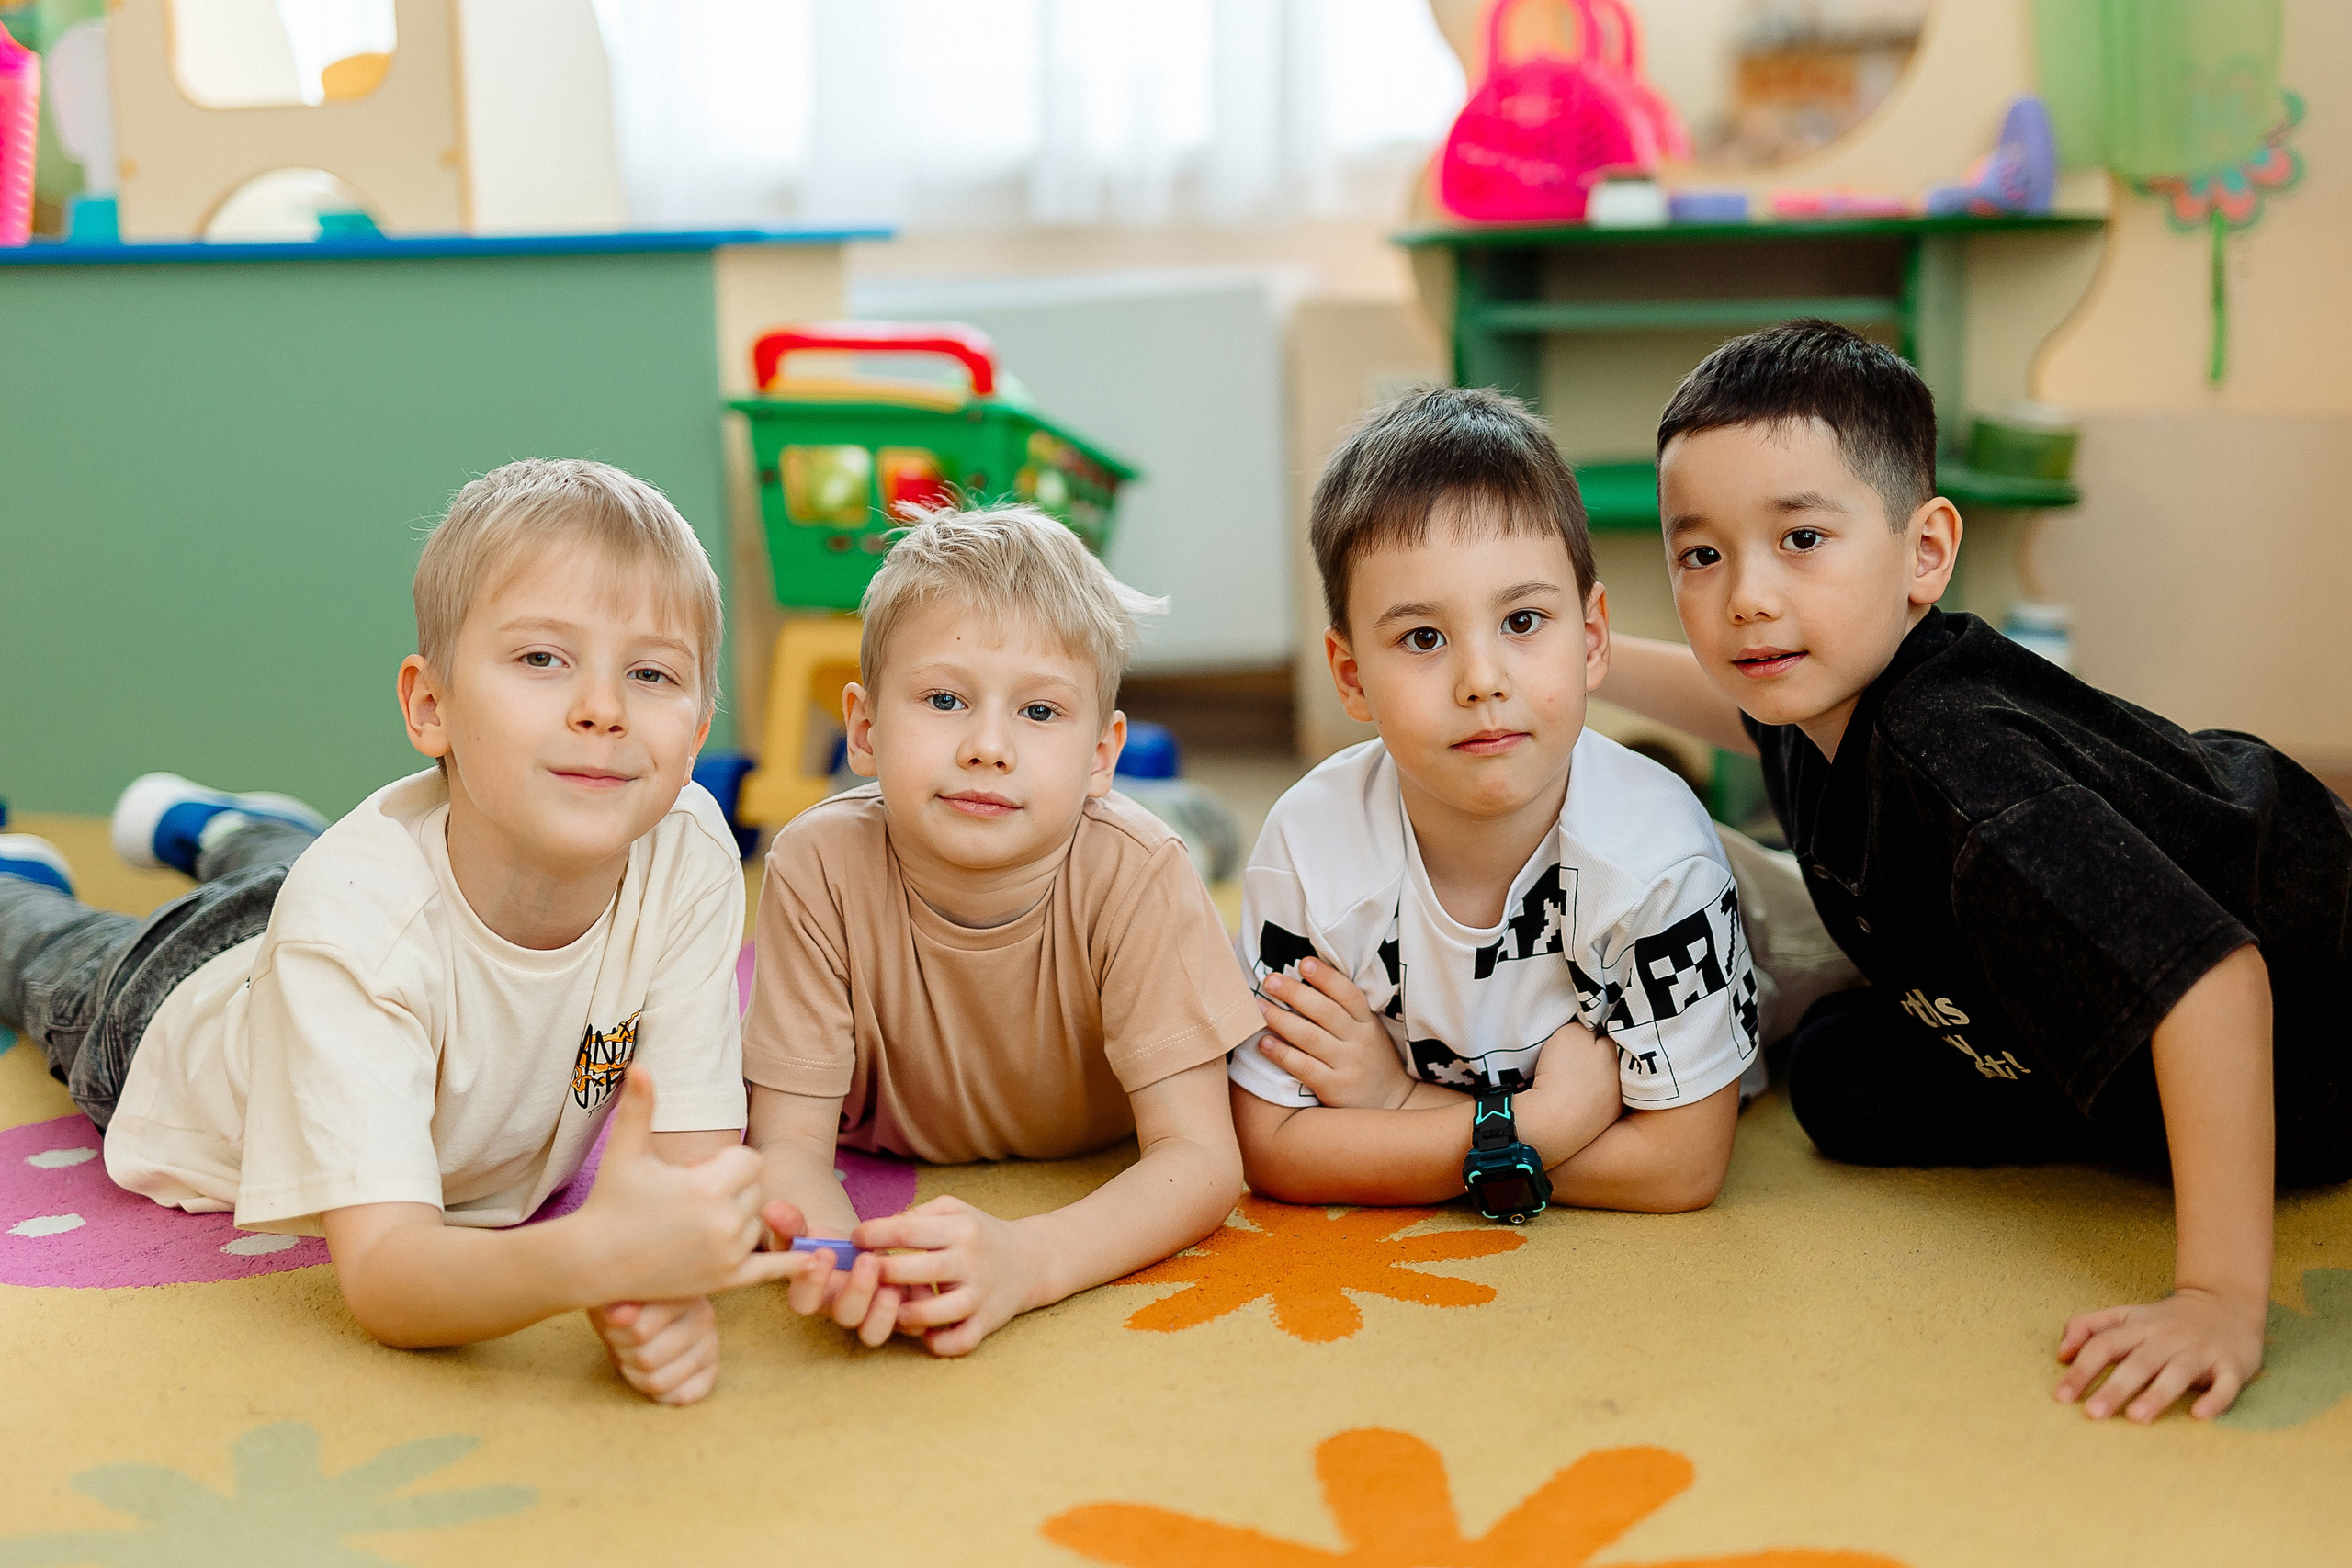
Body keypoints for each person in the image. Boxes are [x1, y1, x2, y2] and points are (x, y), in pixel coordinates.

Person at [1600, 318, 2352, 1422]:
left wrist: (2217, 1296)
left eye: (1800, 539)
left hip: (2305, 1027)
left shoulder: (1963, 775)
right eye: (1701, 555)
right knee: (1838, 1082)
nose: (1746, 598)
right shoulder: (1819, 688)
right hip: (2087, 968)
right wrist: (1583, 655)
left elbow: (2215, 980)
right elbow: (1733, 705)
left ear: (1924, 552)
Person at [0, 458, 798, 1406]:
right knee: (44, 950)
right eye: (542, 658)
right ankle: (29, 876)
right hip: (175, 1004)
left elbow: (689, 1165)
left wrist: (665, 1283)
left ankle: (220, 824)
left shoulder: (688, 846)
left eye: (652, 672)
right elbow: (389, 1278)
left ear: (700, 725)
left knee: (286, 868)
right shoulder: (350, 923)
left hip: (330, 914)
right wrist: (587, 1258)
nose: (603, 708)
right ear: (430, 707)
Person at [1226, 386, 1760, 1220]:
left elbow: (1680, 1166)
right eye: (1424, 638)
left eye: (1521, 620)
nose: (1482, 681)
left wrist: (1399, 1108)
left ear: (1591, 639)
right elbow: (1272, 1145)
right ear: (1351, 675)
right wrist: (1546, 1122)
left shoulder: (1659, 864)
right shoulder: (1309, 849)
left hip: (1810, 933)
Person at [742, 504, 1259, 1356]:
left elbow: (1203, 1158)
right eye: (944, 699)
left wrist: (1031, 1258)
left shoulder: (1141, 873)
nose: (988, 745)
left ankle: (1190, 807)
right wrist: (837, 1260)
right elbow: (789, 1146)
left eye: (1040, 713)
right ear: (864, 728)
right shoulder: (814, 865)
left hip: (1131, 842)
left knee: (1182, 832)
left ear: (1101, 752)